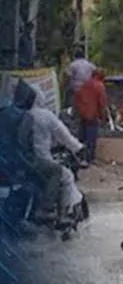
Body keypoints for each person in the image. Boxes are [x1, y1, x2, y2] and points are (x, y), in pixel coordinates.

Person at [14, 81, 86, 224]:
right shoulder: (45, 116)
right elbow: (65, 137)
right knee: (66, 176)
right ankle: (60, 215)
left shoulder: (19, 114)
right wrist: (79, 148)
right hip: (40, 160)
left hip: (18, 162)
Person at [73, 68, 109, 164]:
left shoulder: (84, 84)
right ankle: (89, 159)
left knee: (81, 137)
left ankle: (78, 157)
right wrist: (103, 118)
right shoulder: (100, 86)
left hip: (82, 114)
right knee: (91, 139)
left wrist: (78, 112)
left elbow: (77, 98)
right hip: (93, 115)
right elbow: (102, 104)